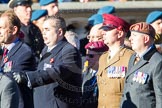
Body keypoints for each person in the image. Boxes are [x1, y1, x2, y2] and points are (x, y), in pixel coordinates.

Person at [13, 15, 82, 108]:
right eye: (43, 29)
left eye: (47, 29)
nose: (43, 33)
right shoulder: (46, 50)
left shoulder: (69, 50)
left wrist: (30, 77)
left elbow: (59, 71)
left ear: (60, 32)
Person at [0, 10, 37, 108]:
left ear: (14, 30)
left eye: (1, 28)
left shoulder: (24, 52)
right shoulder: (2, 51)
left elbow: (10, 79)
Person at [120, 22, 162, 108]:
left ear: (146, 39)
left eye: (134, 35)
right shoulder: (133, 57)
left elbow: (160, 96)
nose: (130, 38)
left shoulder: (158, 61)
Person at [97, 13, 134, 108]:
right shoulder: (103, 58)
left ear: (120, 33)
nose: (103, 33)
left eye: (107, 30)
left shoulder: (131, 57)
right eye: (103, 30)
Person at [82, 41, 108, 108]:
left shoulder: (107, 74)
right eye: (86, 55)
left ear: (102, 57)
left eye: (91, 56)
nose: (87, 58)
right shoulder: (86, 73)